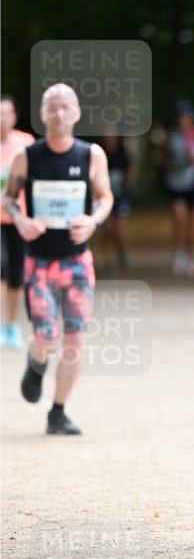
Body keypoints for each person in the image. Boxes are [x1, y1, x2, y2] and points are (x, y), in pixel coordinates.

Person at [2, 83, 113, 435]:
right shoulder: (27, 157)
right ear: (42, 114)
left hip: (78, 262)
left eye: (66, 107)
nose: (59, 113)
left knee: (75, 339)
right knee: (47, 337)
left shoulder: (91, 155)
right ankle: (35, 365)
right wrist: (21, 220)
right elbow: (9, 199)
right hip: (39, 262)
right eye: (52, 106)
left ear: (78, 113)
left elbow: (105, 197)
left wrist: (92, 221)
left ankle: (58, 412)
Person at [0, 94, 34, 348]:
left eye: (6, 113)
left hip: (18, 219)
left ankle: (11, 326)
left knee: (17, 275)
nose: (2, 118)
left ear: (14, 117)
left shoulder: (26, 143)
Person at [164, 100, 194, 277]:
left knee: (192, 226)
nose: (184, 119)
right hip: (176, 184)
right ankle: (179, 254)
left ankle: (190, 257)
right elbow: (164, 160)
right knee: (179, 220)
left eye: (187, 116)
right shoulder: (171, 137)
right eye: (181, 116)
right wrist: (175, 162)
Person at [100, 130, 138, 273]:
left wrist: (128, 183)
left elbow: (133, 168)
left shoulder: (124, 152)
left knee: (118, 230)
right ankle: (109, 261)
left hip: (121, 196)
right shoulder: (100, 152)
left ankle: (121, 252)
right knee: (106, 229)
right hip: (104, 196)